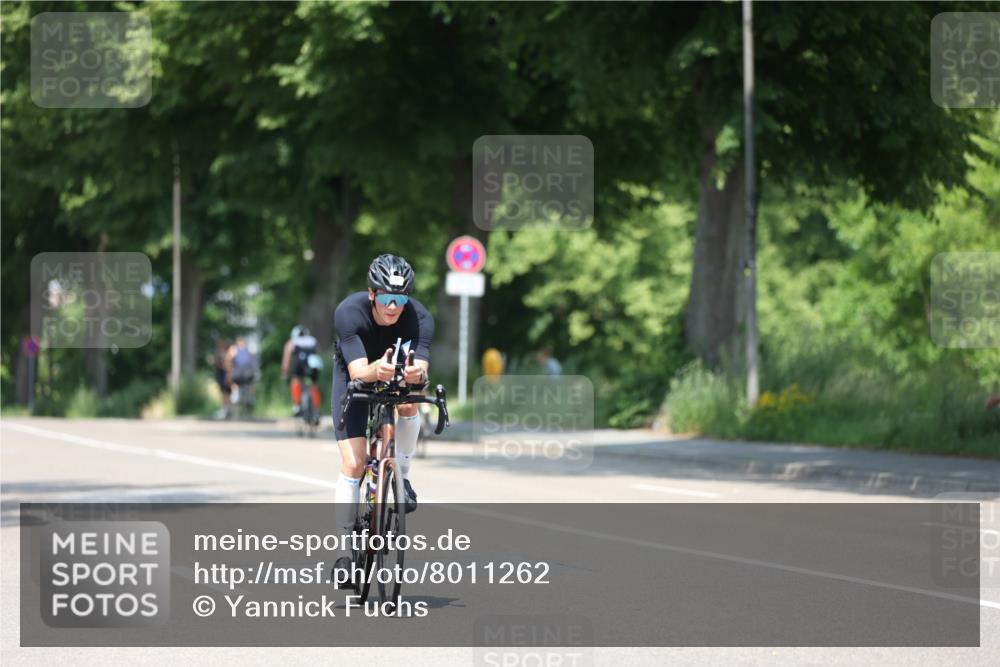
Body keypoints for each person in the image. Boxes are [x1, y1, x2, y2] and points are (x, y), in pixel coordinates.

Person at [331, 254, 433, 574]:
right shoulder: (349, 312)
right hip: (355, 375)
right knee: (354, 463)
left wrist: (416, 375)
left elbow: (422, 369)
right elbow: (360, 370)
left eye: (401, 298)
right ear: (372, 294)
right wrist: (378, 369)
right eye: (387, 297)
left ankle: (401, 475)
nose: (393, 306)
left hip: (394, 374)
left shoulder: (419, 317)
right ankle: (345, 551)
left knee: (410, 403)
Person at [281, 325, 322, 419]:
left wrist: (285, 372)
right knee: (314, 385)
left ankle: (297, 406)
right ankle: (316, 409)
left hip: (300, 362)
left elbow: (287, 359)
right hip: (314, 363)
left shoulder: (292, 342)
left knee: (295, 380)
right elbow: (318, 352)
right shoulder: (313, 340)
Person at [212, 339, 232, 419]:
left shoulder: (227, 354)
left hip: (225, 375)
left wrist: (229, 376)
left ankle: (227, 409)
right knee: (224, 392)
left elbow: (227, 366)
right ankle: (225, 409)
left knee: (226, 393)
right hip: (221, 374)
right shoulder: (220, 353)